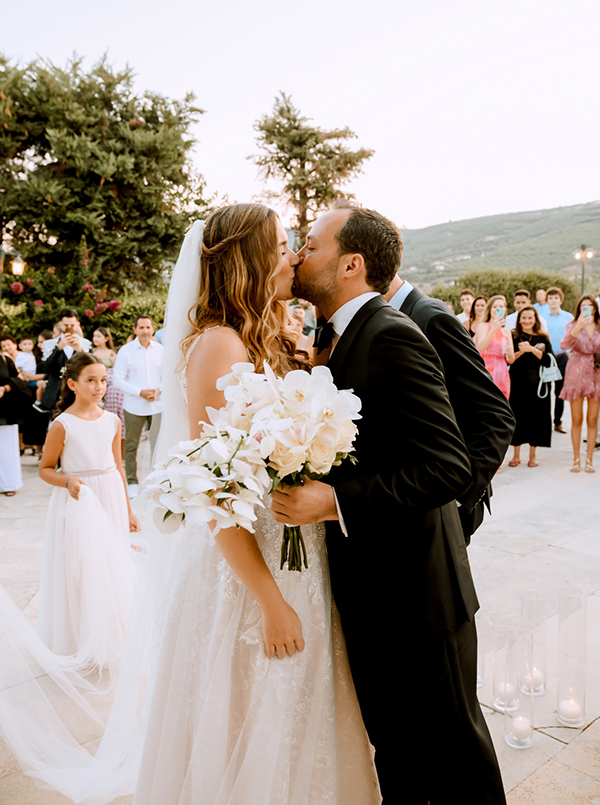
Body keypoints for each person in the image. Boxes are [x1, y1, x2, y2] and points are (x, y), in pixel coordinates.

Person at [133, 205, 380, 803]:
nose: (292, 254)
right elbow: (213, 489)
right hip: (249, 570)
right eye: (280, 244)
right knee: (251, 708)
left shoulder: (264, 335)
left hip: (292, 552)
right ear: (247, 258)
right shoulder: (218, 345)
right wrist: (270, 601)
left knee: (298, 708)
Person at [276, 205, 506, 804]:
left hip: (420, 596)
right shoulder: (344, 336)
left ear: (351, 265)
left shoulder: (391, 334)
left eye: (312, 245)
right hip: (378, 590)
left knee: (456, 756)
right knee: (399, 751)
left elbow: (449, 466)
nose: (300, 255)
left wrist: (335, 501)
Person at [385, 276, 513, 544]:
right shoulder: (390, 318)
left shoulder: (429, 316)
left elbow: (496, 414)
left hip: (446, 503)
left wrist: (457, 497)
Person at [37, 352, 140, 668]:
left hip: (109, 494)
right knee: (82, 568)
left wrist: (128, 509)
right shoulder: (62, 424)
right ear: (72, 384)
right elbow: (45, 469)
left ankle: (112, 636)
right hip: (79, 498)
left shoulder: (112, 420)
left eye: (103, 381)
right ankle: (81, 639)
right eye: (91, 381)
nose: (99, 387)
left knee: (111, 565)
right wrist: (67, 481)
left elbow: (119, 467)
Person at [113, 316, 163, 497]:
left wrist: (159, 390)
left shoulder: (161, 350)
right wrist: (139, 392)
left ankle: (157, 480)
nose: (145, 331)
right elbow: (118, 379)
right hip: (134, 405)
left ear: (152, 328)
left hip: (158, 404)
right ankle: (132, 482)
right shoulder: (126, 351)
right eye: (141, 327)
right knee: (131, 444)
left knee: (158, 443)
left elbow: (168, 375)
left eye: (148, 327)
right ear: (134, 330)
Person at [559, 295, 600, 473]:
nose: (587, 309)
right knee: (576, 419)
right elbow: (564, 344)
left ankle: (589, 459)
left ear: (595, 308)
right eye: (583, 306)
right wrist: (578, 327)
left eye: (590, 306)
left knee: (592, 419)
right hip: (576, 371)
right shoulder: (572, 325)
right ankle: (576, 459)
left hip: (596, 372)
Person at [507, 306, 552, 468]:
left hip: (538, 385)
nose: (526, 321)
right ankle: (516, 455)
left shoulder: (542, 337)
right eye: (523, 318)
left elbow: (547, 360)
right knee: (517, 417)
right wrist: (521, 351)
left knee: (536, 419)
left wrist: (532, 349)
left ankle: (533, 455)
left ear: (535, 319)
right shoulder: (513, 336)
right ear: (519, 319)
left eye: (530, 318)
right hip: (518, 383)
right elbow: (508, 359)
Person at [33, 308, 92, 414]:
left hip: (79, 392)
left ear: (78, 325)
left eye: (72, 325)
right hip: (55, 394)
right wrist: (58, 349)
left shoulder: (86, 344)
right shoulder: (49, 344)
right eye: (66, 325)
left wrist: (80, 351)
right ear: (60, 324)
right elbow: (45, 368)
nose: (69, 328)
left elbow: (91, 368)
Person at [0, 342, 33, 495]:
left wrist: (5, 388)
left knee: (7, 450)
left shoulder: (5, 360)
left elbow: (19, 382)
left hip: (5, 410)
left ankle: (9, 485)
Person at [545, 286, 574, 434]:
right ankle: (544, 423)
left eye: (556, 298)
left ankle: (557, 422)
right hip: (546, 359)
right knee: (544, 392)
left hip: (562, 359)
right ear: (547, 300)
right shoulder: (541, 316)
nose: (553, 300)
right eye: (550, 298)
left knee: (559, 393)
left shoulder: (568, 317)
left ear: (560, 300)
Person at [92, 326, 125, 457]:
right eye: (94, 336)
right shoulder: (91, 351)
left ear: (106, 338)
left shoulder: (112, 353)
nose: (95, 339)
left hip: (111, 389)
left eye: (99, 336)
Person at [475, 295, 515, 398]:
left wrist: (510, 352)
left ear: (505, 310)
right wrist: (494, 329)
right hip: (486, 371)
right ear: (489, 309)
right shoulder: (483, 326)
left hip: (502, 374)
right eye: (494, 306)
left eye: (501, 306)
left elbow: (511, 360)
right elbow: (481, 347)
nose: (498, 309)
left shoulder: (506, 332)